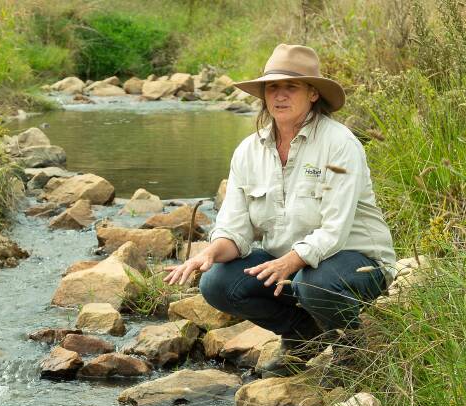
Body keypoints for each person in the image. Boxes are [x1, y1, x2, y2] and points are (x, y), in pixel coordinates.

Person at [165, 44, 396, 372]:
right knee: (216, 282)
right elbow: (236, 230)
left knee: (312, 282)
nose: (280, 95)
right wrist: (210, 252)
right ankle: (301, 337)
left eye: (291, 86)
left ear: (313, 93)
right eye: (273, 87)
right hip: (292, 268)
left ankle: (351, 348)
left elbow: (335, 231)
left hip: (355, 264)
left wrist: (290, 263)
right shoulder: (248, 151)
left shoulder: (339, 144)